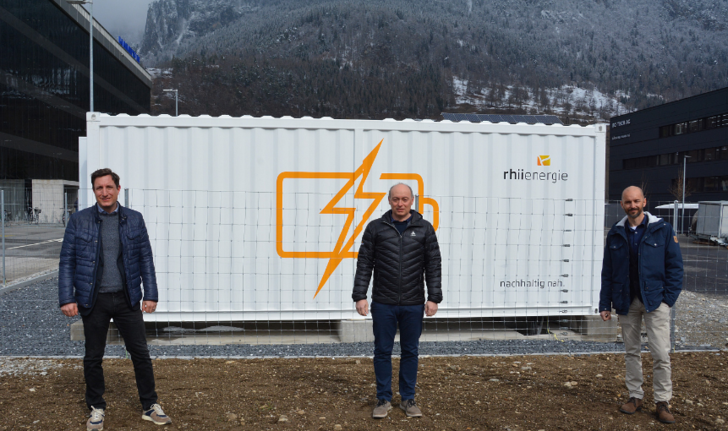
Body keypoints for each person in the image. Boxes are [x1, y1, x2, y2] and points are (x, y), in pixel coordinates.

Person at [59, 168, 172, 430]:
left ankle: (149, 405)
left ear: (118, 189)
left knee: (140, 353)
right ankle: (96, 407)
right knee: (93, 356)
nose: (104, 192)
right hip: (93, 299)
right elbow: (67, 261)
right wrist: (67, 297)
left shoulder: (133, 219)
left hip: (127, 298)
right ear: (94, 191)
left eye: (109, 187)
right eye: (99, 188)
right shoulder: (79, 220)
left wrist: (151, 294)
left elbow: (145, 257)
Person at [353, 183, 442, 419]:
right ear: (389, 200)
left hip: (413, 303)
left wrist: (434, 297)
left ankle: (407, 399)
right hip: (383, 302)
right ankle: (383, 399)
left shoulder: (424, 229)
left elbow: (433, 265)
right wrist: (360, 295)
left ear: (412, 200)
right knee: (382, 351)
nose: (400, 204)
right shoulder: (375, 228)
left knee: (410, 351)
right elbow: (364, 264)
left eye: (404, 199)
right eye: (395, 199)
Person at [599, 186, 683, 424]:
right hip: (626, 301)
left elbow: (675, 268)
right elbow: (608, 271)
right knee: (631, 352)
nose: (632, 205)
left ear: (644, 201)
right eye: (628, 202)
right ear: (622, 204)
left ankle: (662, 402)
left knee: (660, 353)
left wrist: (668, 300)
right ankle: (635, 396)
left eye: (636, 201)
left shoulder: (663, 229)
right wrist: (605, 303)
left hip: (655, 301)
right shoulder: (615, 232)